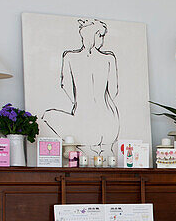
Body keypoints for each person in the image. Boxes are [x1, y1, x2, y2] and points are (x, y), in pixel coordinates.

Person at [42, 19, 119, 155]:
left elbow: (65, 85)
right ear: (94, 35)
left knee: (47, 115)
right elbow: (113, 90)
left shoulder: (70, 57)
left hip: (84, 122)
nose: (102, 40)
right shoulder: (109, 59)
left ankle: (85, 151)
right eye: (101, 36)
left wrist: (79, 101)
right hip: (110, 124)